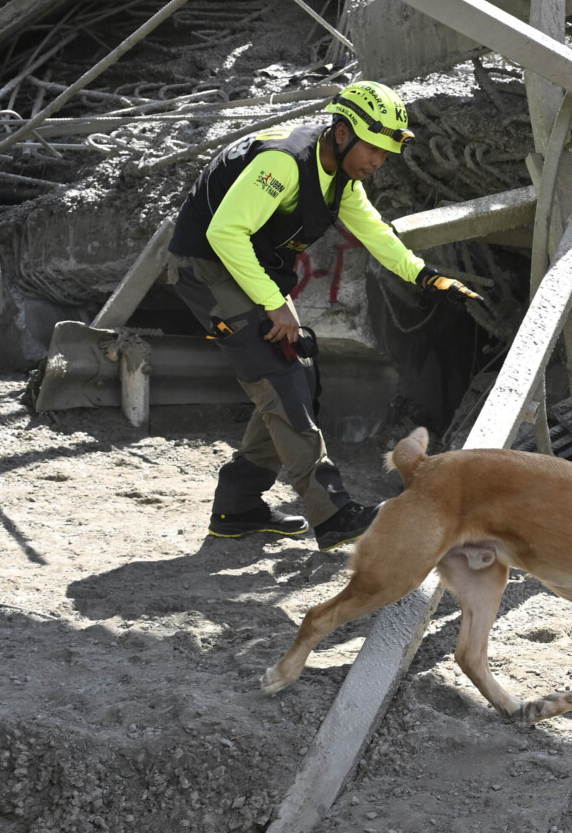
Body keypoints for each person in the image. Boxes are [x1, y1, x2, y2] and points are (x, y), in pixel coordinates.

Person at [165, 82, 480, 550]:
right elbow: (225, 232)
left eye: (385, 153)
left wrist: (427, 277)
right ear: (341, 132)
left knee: (298, 374)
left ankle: (238, 508)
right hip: (206, 266)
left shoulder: (340, 178)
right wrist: (273, 301)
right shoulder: (283, 162)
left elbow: (375, 233)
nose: (376, 161)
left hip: (249, 268)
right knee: (280, 380)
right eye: (372, 148)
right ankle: (332, 514)